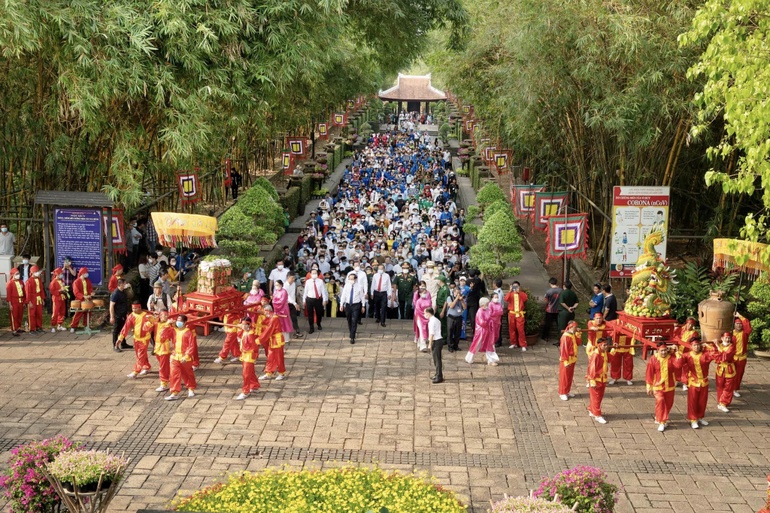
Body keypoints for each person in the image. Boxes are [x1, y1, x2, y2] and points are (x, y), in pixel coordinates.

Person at [645, 342, 682, 432]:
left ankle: (659, 416)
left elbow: (679, 365)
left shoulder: (671, 358)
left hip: (670, 385)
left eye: (665, 350)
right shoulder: (653, 359)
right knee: (660, 401)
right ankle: (662, 421)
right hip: (658, 386)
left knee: (669, 403)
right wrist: (649, 386)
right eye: (662, 351)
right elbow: (649, 373)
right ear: (658, 351)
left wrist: (676, 352)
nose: (664, 352)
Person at [680, 336, 714, 429]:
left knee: (702, 401)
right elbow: (678, 362)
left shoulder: (705, 355)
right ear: (691, 346)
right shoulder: (687, 355)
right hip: (693, 382)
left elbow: (716, 354)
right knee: (693, 402)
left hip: (704, 382)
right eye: (695, 345)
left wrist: (710, 345)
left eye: (698, 345)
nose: (697, 347)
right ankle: (693, 419)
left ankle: (700, 417)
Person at [118, 301, 155, 377]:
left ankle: (135, 371)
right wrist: (121, 338)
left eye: (135, 308)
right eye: (132, 308)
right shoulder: (131, 315)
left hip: (144, 339)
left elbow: (152, 326)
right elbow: (126, 327)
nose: (133, 310)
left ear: (139, 308)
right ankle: (146, 366)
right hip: (136, 338)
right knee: (139, 355)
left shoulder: (147, 316)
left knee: (140, 355)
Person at [165, 314, 198, 400]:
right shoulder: (173, 330)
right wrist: (167, 325)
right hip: (175, 356)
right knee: (174, 374)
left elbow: (191, 346)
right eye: (177, 320)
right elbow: (163, 336)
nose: (178, 322)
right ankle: (174, 392)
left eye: (181, 321)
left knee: (187, 374)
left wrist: (187, 356)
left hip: (185, 357)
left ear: (185, 322)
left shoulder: (188, 332)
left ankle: (191, 388)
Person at [587, 338, 615, 424]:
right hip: (596, 379)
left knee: (598, 396)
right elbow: (592, 368)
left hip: (602, 378)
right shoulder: (596, 355)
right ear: (599, 345)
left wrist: (614, 349)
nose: (606, 346)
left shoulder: (604, 352)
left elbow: (610, 359)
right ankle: (597, 415)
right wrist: (592, 381)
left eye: (606, 345)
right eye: (604, 345)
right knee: (596, 397)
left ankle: (592, 410)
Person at [258, 305, 286, 381]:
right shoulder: (271, 317)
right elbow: (264, 322)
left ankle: (281, 373)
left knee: (279, 357)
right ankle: (268, 373)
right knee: (270, 357)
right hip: (272, 340)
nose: (264, 313)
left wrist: (260, 339)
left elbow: (268, 330)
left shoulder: (274, 318)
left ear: (267, 311)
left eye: (264, 311)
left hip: (277, 340)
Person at [235, 317, 261, 400]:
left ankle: (245, 391)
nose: (242, 326)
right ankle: (254, 385)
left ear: (248, 325)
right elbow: (239, 334)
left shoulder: (250, 334)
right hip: (244, 355)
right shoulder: (245, 331)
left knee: (246, 374)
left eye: (244, 324)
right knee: (251, 372)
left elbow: (255, 347)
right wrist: (238, 327)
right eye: (242, 324)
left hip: (249, 356)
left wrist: (254, 356)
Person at [465, 297, 496, 365]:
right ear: (483, 304)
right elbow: (482, 322)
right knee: (476, 345)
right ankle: (469, 358)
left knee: (490, 345)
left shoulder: (487, 310)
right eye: (487, 304)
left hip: (487, 330)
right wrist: (489, 320)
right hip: (481, 331)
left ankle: (491, 360)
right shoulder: (480, 311)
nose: (488, 305)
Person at [340, 272, 366, 344]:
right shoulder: (346, 286)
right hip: (348, 305)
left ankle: (352, 336)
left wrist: (363, 306)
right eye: (349, 279)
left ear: (355, 279)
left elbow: (362, 296)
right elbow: (343, 295)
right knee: (349, 319)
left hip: (356, 305)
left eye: (352, 279)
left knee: (354, 320)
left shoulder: (359, 286)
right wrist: (341, 304)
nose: (351, 280)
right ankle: (351, 331)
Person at [673, 316, 698, 390]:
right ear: (686, 323)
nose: (690, 326)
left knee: (686, 368)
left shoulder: (694, 333)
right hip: (678, 351)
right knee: (676, 366)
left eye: (692, 325)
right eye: (689, 324)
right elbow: (675, 335)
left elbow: (691, 343)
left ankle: (685, 383)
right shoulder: (681, 329)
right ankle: (676, 380)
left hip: (687, 352)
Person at [714, 332, 736, 413]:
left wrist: (717, 346)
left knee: (728, 387)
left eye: (729, 338)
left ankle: (723, 403)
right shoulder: (720, 345)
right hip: (720, 369)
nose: (728, 339)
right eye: (726, 338)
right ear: (722, 338)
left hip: (729, 369)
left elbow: (725, 356)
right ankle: (720, 401)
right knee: (720, 386)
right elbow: (714, 355)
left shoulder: (732, 347)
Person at [153, 309, 174, 392]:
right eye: (163, 315)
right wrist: (150, 320)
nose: (165, 316)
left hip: (164, 347)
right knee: (164, 365)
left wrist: (169, 324)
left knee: (162, 367)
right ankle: (171, 378)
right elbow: (146, 328)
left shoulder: (169, 325)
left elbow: (163, 335)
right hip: (157, 347)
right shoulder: (156, 323)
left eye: (166, 315)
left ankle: (163, 383)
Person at [558, 321, 580, 401]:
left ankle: (567, 391)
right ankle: (562, 392)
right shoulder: (565, 337)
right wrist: (565, 361)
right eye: (575, 327)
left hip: (572, 359)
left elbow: (578, 343)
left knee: (569, 377)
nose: (576, 329)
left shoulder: (572, 334)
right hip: (567, 360)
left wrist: (578, 335)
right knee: (564, 377)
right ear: (571, 327)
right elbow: (564, 350)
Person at [504, 281, 527, 351]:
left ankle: (523, 344)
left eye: (517, 286)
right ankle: (513, 343)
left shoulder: (522, 294)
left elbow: (525, 298)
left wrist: (519, 292)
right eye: (514, 286)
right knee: (511, 329)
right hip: (512, 314)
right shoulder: (510, 294)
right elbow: (506, 299)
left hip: (520, 314)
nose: (515, 288)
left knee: (521, 330)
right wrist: (510, 291)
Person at [303, 268, 327, 333]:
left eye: (315, 273)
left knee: (319, 313)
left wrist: (324, 300)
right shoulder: (308, 282)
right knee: (310, 314)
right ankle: (311, 327)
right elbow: (305, 291)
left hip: (318, 299)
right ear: (310, 274)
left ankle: (318, 323)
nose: (314, 274)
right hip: (310, 299)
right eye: (313, 273)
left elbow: (323, 291)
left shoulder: (320, 281)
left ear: (317, 274)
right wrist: (304, 300)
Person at [732, 313, 751, 397]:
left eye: (740, 324)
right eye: (737, 324)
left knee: (739, 374)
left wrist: (739, 316)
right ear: (734, 325)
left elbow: (748, 327)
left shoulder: (745, 333)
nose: (739, 325)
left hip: (742, 358)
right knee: (730, 374)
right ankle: (728, 389)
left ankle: (735, 389)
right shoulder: (730, 334)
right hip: (732, 358)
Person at [69, 267, 94, 332]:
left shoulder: (87, 280)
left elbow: (90, 288)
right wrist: (83, 296)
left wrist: (91, 292)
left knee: (88, 312)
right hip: (80, 299)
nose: (87, 274)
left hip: (88, 299)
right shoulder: (76, 282)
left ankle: (86, 325)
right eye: (86, 273)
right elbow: (76, 292)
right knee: (78, 313)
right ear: (82, 273)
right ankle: (73, 326)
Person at [443, 281, 465, 352]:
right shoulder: (450, 298)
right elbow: (451, 306)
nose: (458, 294)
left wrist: (461, 301)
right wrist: (456, 298)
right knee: (450, 332)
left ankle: (456, 345)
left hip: (458, 317)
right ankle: (450, 346)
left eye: (459, 292)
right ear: (454, 292)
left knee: (457, 332)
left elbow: (465, 307)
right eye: (457, 292)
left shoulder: (461, 299)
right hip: (451, 317)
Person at [109, 278, 130, 351]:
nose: (125, 285)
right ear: (121, 284)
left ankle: (123, 343)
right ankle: (115, 345)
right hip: (117, 315)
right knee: (116, 330)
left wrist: (127, 312)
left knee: (123, 329)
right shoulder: (115, 293)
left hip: (123, 314)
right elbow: (111, 305)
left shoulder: (123, 292)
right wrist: (112, 317)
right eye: (124, 283)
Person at [425, 307, 445, 384]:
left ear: (428, 313)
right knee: (436, 359)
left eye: (425, 313)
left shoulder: (431, 322)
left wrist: (430, 344)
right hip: (439, 340)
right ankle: (437, 374)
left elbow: (432, 334)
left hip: (436, 341)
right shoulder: (437, 320)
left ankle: (439, 376)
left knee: (437, 360)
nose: (424, 314)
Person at [541, 277, 562, 344]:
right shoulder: (561, 290)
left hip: (550, 310)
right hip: (558, 310)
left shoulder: (549, 291)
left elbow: (546, 300)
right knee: (559, 324)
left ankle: (545, 336)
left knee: (547, 324)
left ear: (550, 283)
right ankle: (560, 337)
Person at [24, 265, 45, 333]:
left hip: (38, 298)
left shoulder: (39, 280)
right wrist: (29, 301)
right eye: (35, 272)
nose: (37, 273)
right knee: (32, 314)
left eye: (37, 271)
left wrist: (42, 299)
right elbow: (27, 293)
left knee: (39, 313)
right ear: (32, 272)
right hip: (32, 299)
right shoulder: (29, 281)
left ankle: (39, 327)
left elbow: (41, 290)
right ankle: (32, 329)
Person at [6, 268, 25, 336]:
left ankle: (18, 327)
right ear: (13, 275)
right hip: (14, 301)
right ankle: (14, 329)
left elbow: (23, 292)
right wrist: (10, 304)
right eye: (16, 274)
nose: (18, 275)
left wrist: (24, 301)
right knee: (14, 315)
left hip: (20, 300)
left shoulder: (21, 282)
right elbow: (8, 295)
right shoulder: (10, 283)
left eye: (18, 274)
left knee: (20, 314)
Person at [413, 287, 433, 352]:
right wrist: (424, 315)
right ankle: (423, 346)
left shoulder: (429, 300)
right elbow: (418, 310)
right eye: (423, 293)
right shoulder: (418, 301)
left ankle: (422, 341)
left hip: (427, 317)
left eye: (425, 293)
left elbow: (430, 308)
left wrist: (428, 315)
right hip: (420, 318)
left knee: (427, 331)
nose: (425, 294)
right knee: (421, 331)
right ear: (420, 294)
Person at [49, 268, 68, 332]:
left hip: (62, 298)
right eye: (60, 274)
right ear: (57, 274)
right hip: (56, 298)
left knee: (62, 312)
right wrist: (59, 291)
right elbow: (52, 291)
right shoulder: (53, 282)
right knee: (55, 312)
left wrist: (65, 290)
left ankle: (59, 325)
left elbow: (63, 288)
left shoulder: (62, 281)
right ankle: (53, 326)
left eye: (62, 274)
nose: (61, 275)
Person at [285, 273, 302, 338]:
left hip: (292, 303)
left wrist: (295, 303)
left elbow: (292, 295)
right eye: (292, 278)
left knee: (294, 317)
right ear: (288, 278)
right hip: (286, 304)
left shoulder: (294, 284)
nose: (293, 279)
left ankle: (297, 331)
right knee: (286, 318)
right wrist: (294, 303)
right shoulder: (285, 285)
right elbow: (287, 295)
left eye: (294, 278)